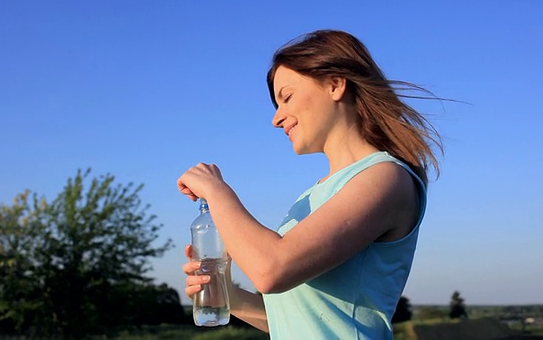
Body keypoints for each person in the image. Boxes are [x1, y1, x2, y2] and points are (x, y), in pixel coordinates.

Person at [177, 29, 443, 339]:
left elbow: (270, 269)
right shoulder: (314, 195)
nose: (277, 119)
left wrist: (216, 190)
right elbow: (300, 323)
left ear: (335, 84)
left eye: (286, 97)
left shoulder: (386, 177)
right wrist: (230, 297)